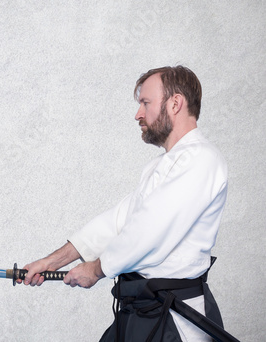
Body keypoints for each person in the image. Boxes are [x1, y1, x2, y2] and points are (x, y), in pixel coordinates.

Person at [21, 66, 228, 341]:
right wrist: (51, 262)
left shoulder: (202, 160)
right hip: (142, 311)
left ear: (175, 103)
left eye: (145, 103)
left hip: (174, 321)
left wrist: (95, 270)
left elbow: (148, 231)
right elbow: (118, 221)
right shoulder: (163, 166)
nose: (138, 114)